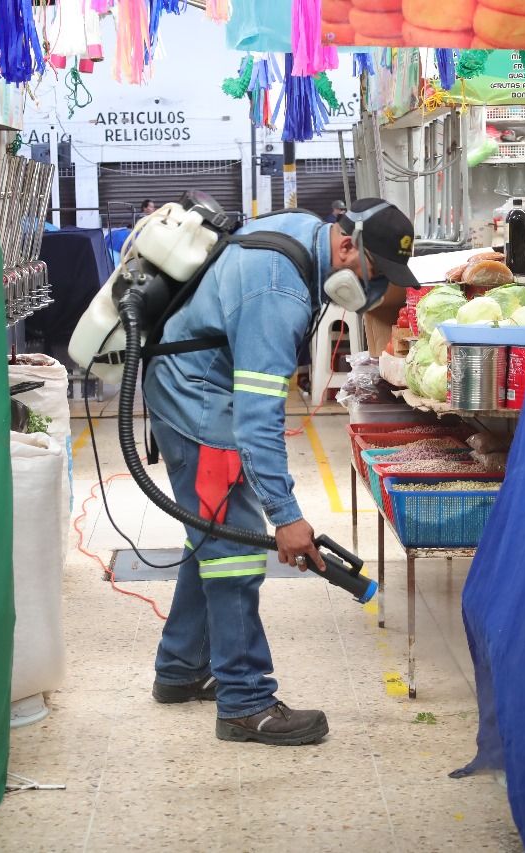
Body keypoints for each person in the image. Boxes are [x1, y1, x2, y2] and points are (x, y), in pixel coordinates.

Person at [142, 198, 420, 745]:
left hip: (187, 380)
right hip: (198, 403)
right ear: (347, 247)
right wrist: (286, 515)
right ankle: (245, 702)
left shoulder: (302, 234)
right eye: (374, 275)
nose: (372, 293)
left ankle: (181, 667)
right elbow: (257, 418)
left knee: (214, 534)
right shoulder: (279, 291)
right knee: (235, 552)